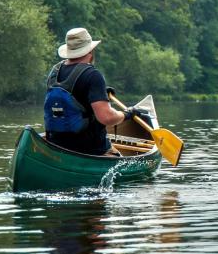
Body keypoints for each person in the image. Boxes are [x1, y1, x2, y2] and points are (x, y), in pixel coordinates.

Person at [44, 27, 146, 157]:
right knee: (116, 155)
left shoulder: (54, 71)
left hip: (55, 144)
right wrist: (127, 114)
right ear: (91, 50)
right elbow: (106, 118)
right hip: (90, 149)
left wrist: (100, 93)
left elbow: (73, 97)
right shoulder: (93, 75)